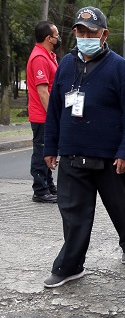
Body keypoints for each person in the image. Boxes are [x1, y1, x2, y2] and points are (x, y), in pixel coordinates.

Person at [43, 6, 125, 288]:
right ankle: (70, 266)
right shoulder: (65, 65)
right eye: (80, 31)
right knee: (73, 215)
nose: (85, 36)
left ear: (104, 34)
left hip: (110, 158)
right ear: (74, 33)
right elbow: (55, 112)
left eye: (91, 32)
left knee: (123, 208)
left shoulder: (118, 67)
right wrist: (50, 147)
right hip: (72, 154)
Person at [26, 21, 60, 204]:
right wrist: (52, 115)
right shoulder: (39, 57)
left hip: (45, 115)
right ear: (49, 38)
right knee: (41, 151)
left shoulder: (48, 55)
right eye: (56, 35)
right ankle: (40, 190)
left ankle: (48, 185)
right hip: (42, 115)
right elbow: (42, 91)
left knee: (48, 149)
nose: (58, 38)